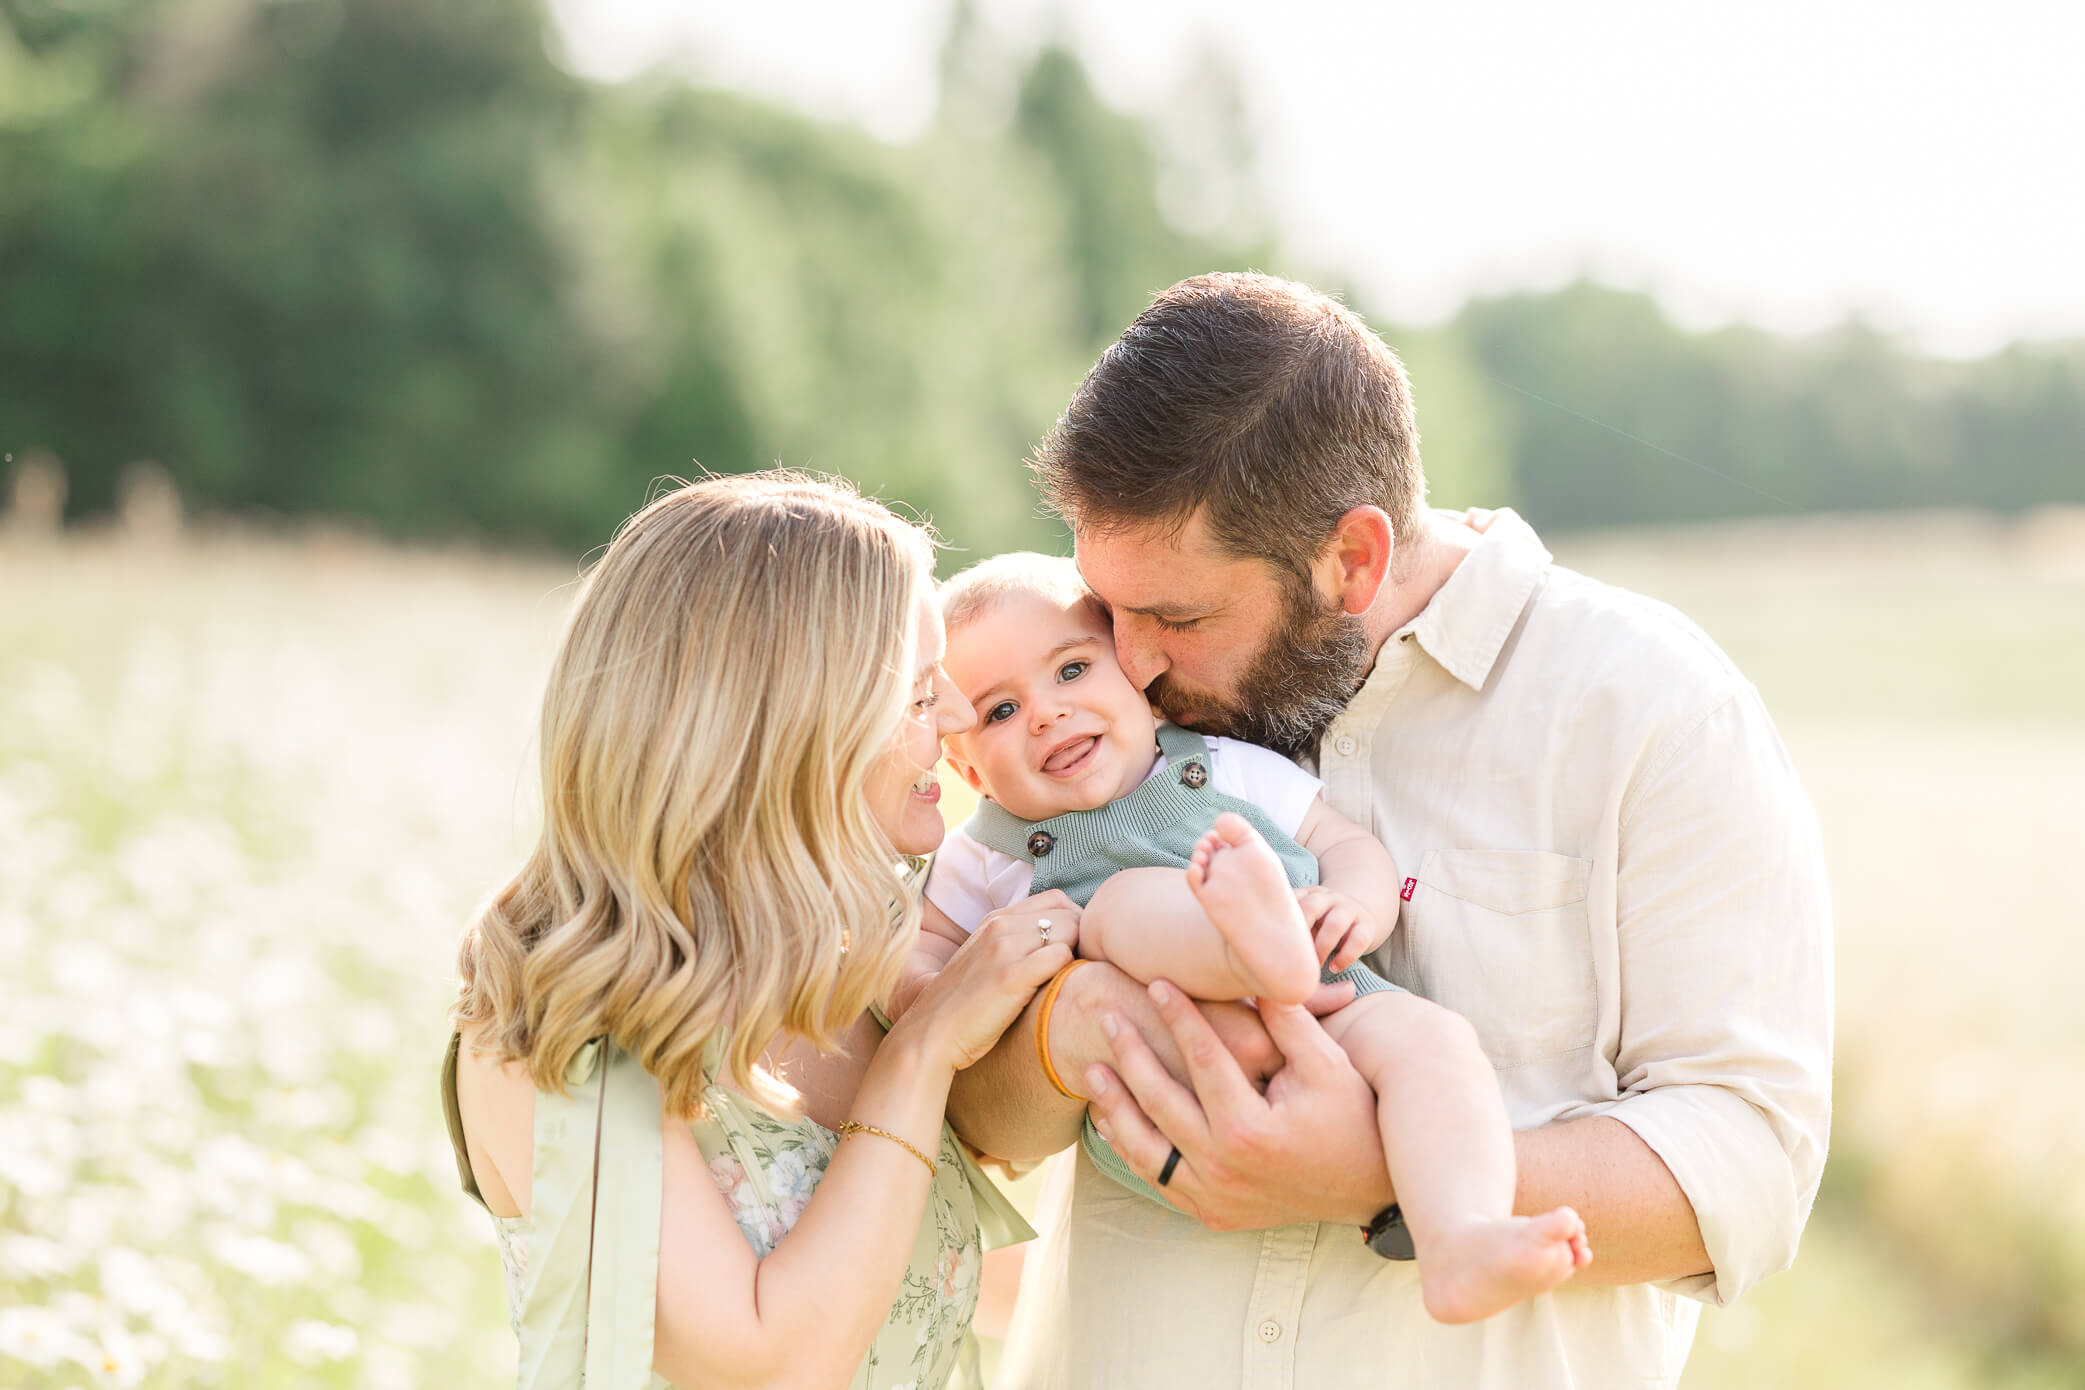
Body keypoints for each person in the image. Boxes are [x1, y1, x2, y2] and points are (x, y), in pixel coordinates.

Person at [948, 273, 1834, 1388]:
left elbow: (1749, 1166)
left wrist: (1379, 1174)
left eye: (1178, 616)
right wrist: (1059, 1036)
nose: (1127, 664)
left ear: (1353, 560)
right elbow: (975, 1122)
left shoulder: (1652, 708)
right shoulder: (1092, 735)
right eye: (1105, 610)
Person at [441, 473, 1073, 1389]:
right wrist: (925, 1051)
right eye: (916, 689)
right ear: (788, 719)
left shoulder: (869, 963)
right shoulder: (552, 1015)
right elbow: (765, 1367)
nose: (962, 717)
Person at [892, 551, 1590, 1324]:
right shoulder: (985, 851)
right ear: (969, 771)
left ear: (1137, 681)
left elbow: (1341, 841)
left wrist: (1355, 903)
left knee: (1433, 1039)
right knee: (1118, 907)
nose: (1047, 714)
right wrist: (938, 988)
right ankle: (1246, 947)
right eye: (999, 712)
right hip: (1172, 1068)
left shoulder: (1227, 769)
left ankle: (1461, 1237)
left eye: (1070, 671)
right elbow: (924, 957)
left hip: (1330, 1004)